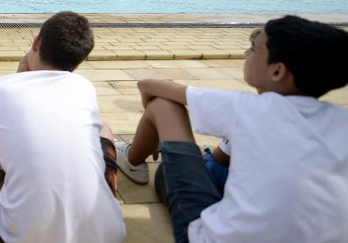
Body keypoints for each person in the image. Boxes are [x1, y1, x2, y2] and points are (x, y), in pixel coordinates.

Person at [115, 15, 348, 243]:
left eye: (253, 49)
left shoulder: (248, 107)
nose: (246, 53)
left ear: (277, 71)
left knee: (163, 109)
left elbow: (149, 86)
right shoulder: (342, 119)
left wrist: (151, 111)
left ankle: (132, 160)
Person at [0, 11, 126, 243]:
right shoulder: (84, 86)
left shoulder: (0, 88)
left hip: (23, 233)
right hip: (106, 233)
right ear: (78, 61)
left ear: (36, 42)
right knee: (104, 128)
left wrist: (18, 77)